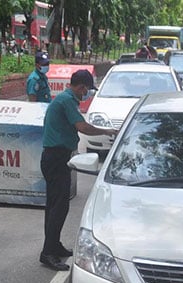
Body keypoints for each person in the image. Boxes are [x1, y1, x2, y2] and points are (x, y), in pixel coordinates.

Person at [39, 70, 119, 270]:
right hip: (56, 157)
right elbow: (83, 127)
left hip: (56, 156)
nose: (87, 94)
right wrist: (108, 131)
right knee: (58, 206)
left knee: (56, 204)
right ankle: (48, 253)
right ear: (82, 87)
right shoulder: (66, 100)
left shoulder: (66, 100)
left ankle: (54, 245)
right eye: (87, 90)